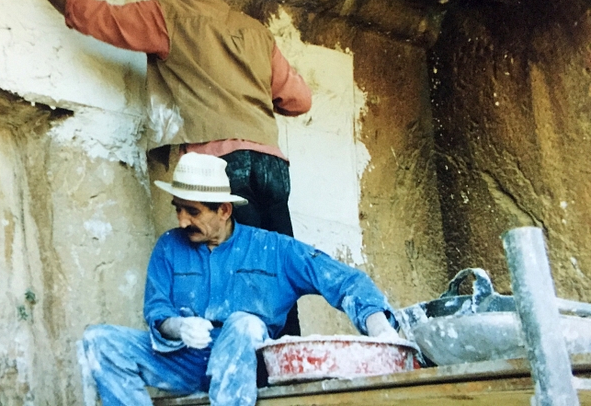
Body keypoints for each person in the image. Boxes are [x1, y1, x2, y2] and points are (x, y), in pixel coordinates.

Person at [0, 0, 311, 334]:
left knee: (237, 277)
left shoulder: (170, 15)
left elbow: (98, 18)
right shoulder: (256, 32)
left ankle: (248, 381)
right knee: (280, 269)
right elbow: (299, 100)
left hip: (220, 169)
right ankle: (291, 371)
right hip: (272, 166)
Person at [76, 153, 401, 406]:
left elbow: (345, 281)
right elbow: (157, 310)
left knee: (244, 324)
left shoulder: (273, 248)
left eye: (192, 211)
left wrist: (380, 327)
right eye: (178, 209)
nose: (181, 219)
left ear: (224, 211)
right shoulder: (169, 247)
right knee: (99, 340)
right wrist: (178, 327)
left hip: (248, 365)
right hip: (187, 360)